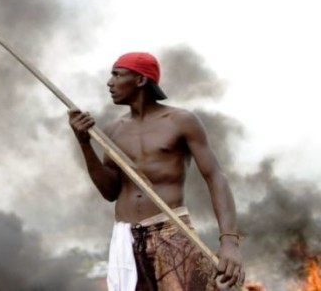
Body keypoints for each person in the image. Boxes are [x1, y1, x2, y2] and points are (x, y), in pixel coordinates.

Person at [68, 52, 244, 290]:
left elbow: (215, 177)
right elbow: (110, 192)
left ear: (140, 80)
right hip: (126, 239)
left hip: (171, 232)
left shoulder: (180, 120)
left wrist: (229, 242)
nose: (110, 83)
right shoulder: (113, 130)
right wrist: (84, 144)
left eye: (117, 75)